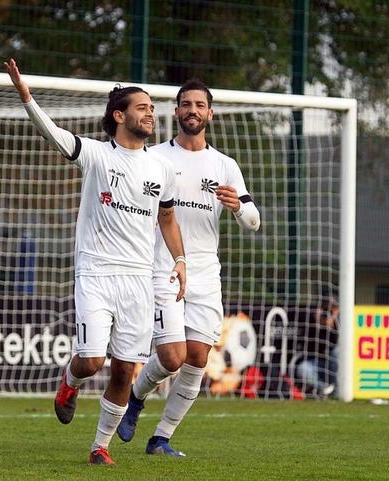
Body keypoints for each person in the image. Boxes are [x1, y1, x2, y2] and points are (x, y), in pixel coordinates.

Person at [3, 59, 187, 466]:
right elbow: (56, 136)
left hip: (140, 280)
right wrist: (27, 98)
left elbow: (168, 218)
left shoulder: (163, 168)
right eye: (142, 108)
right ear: (120, 116)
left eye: (152, 109)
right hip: (96, 272)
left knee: (125, 372)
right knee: (90, 360)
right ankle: (69, 383)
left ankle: (98, 447)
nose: (150, 113)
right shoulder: (98, 155)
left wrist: (179, 259)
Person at [116, 78, 261, 457]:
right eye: (185, 104)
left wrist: (239, 207)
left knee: (198, 357)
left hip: (205, 274)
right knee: (172, 357)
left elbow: (254, 220)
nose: (192, 110)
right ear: (177, 111)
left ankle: (161, 438)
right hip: (162, 268)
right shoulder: (156, 158)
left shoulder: (225, 165)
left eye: (199, 105)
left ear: (209, 114)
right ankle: (135, 396)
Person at [293, 294, 340, 399]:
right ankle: (324, 390)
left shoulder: (341, 321)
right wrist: (316, 325)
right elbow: (306, 344)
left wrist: (332, 328)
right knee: (303, 369)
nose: (328, 313)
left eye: (332, 309)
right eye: (326, 308)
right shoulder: (311, 319)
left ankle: (339, 391)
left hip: (334, 364)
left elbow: (336, 345)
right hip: (318, 363)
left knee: (338, 353)